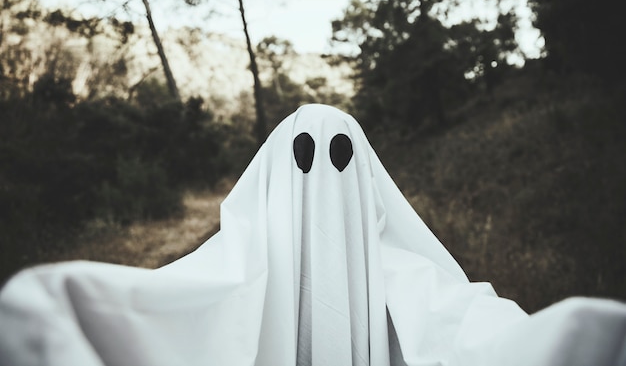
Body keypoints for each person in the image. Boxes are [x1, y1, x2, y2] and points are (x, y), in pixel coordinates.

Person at [1, 104, 625, 366]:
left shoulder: (400, 268)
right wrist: (65, 306)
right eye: (305, 155)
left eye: (341, 157)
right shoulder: (241, 257)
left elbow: (467, 323)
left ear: (366, 174)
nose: (324, 177)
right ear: (276, 169)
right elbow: (168, 305)